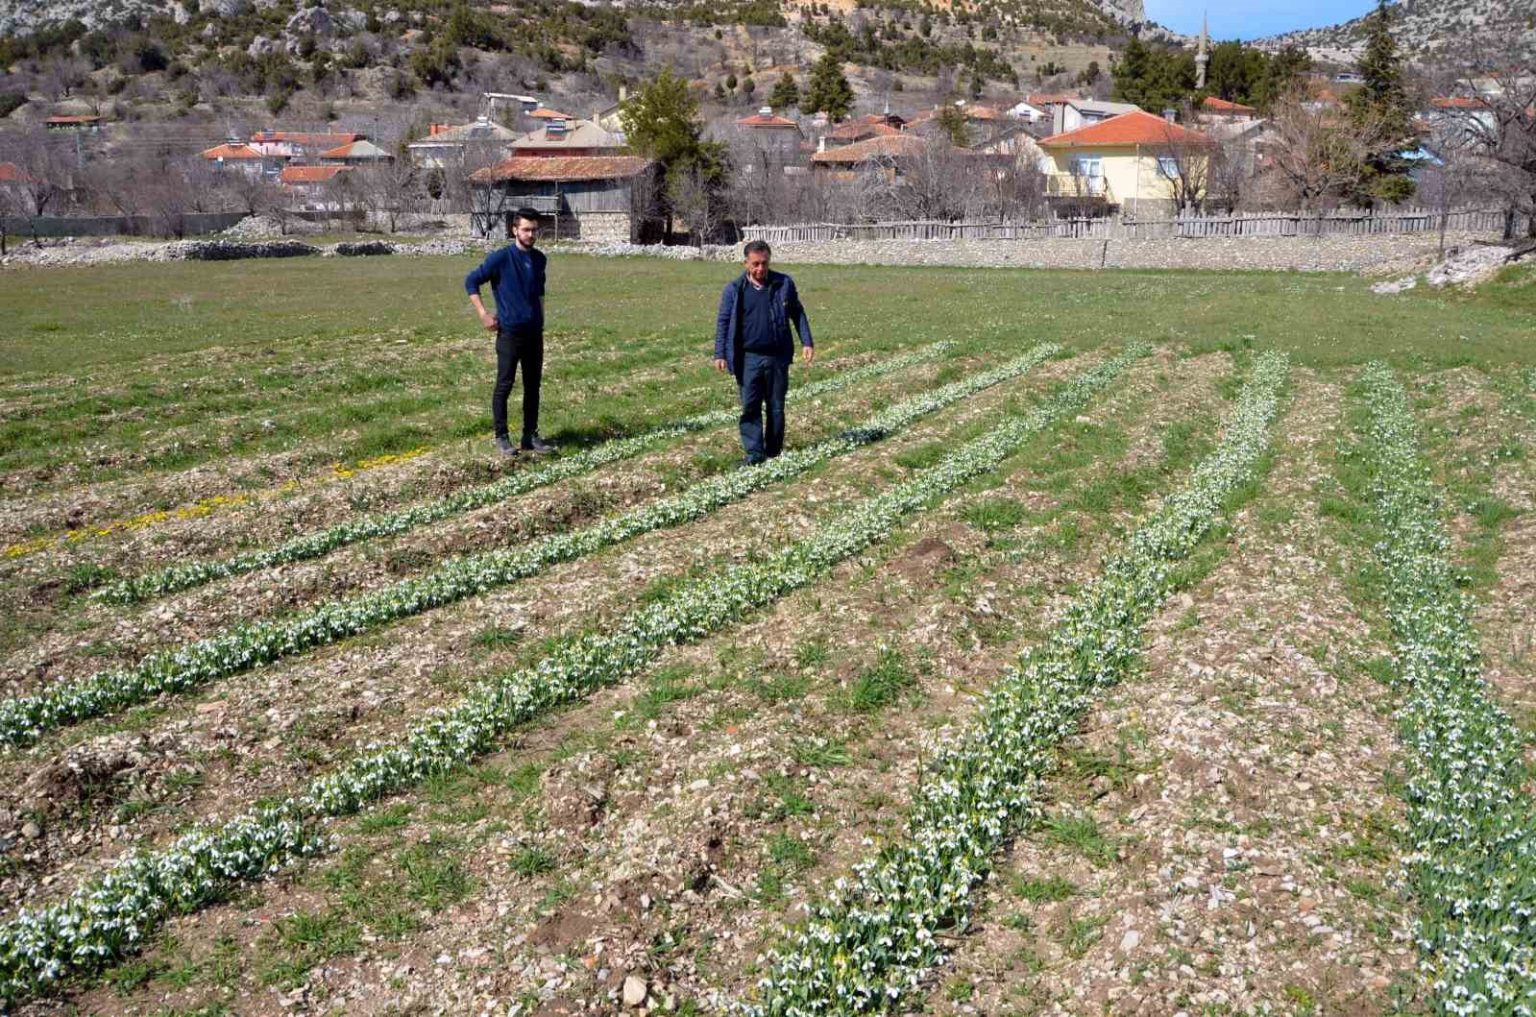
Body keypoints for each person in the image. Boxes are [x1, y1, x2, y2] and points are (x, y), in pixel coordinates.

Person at [713, 240, 814, 466]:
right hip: (748, 358)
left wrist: (807, 341)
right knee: (750, 407)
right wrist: (720, 354)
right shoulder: (734, 290)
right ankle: (755, 455)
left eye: (764, 263)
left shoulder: (783, 284)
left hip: (777, 356)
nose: (760, 269)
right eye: (755, 264)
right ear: (746, 263)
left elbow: (797, 313)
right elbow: (723, 322)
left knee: (776, 407)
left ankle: (774, 453)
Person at [466, 208, 555, 457]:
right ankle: (502, 436)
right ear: (514, 230)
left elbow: (539, 292)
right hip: (509, 334)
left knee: (533, 386)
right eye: (526, 230)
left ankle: (530, 435)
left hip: (534, 334)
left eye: (534, 230)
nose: (531, 234)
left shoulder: (539, 259)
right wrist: (483, 314)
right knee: (504, 385)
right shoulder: (501, 259)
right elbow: (471, 281)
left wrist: (541, 320)